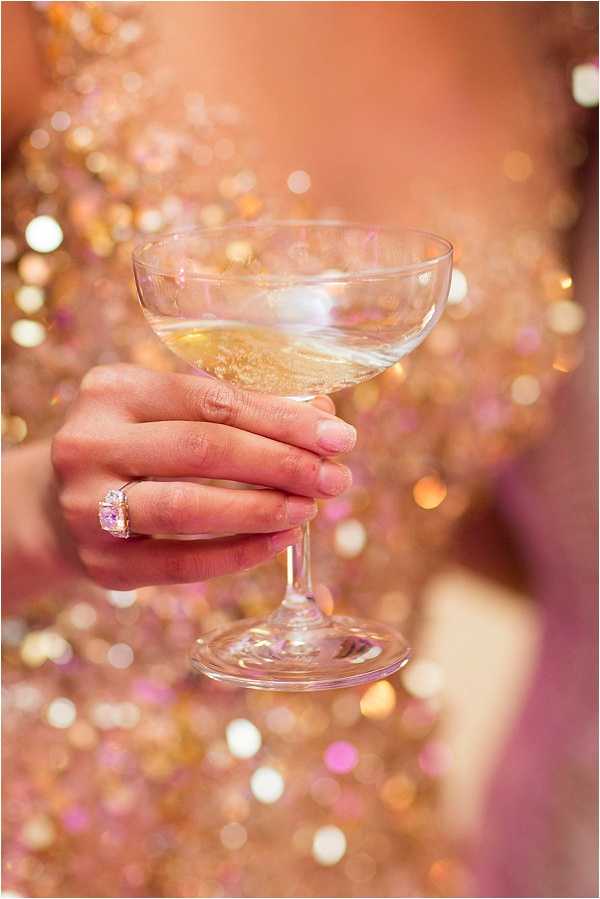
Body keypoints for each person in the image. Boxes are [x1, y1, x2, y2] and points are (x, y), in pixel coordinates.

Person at [2, 3, 596, 896]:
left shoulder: (545, 38)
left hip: (372, 834)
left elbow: (484, 493)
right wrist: (33, 510)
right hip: (59, 834)